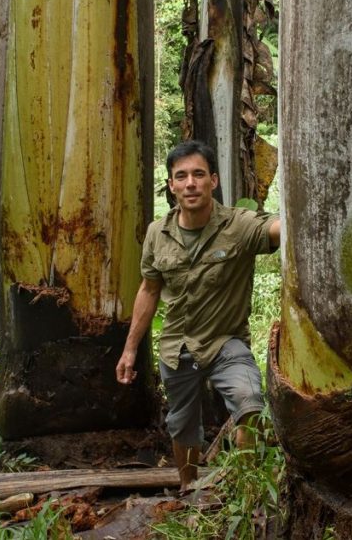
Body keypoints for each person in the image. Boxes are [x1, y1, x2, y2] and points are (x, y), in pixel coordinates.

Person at [115, 139, 281, 491]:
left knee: (250, 404)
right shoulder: (156, 234)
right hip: (177, 348)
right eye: (182, 176)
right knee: (183, 426)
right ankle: (189, 491)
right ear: (172, 185)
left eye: (198, 174)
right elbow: (148, 290)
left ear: (213, 181)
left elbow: (274, 230)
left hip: (225, 343)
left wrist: (300, 214)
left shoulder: (238, 224)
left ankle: (247, 492)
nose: (190, 183)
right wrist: (130, 349)